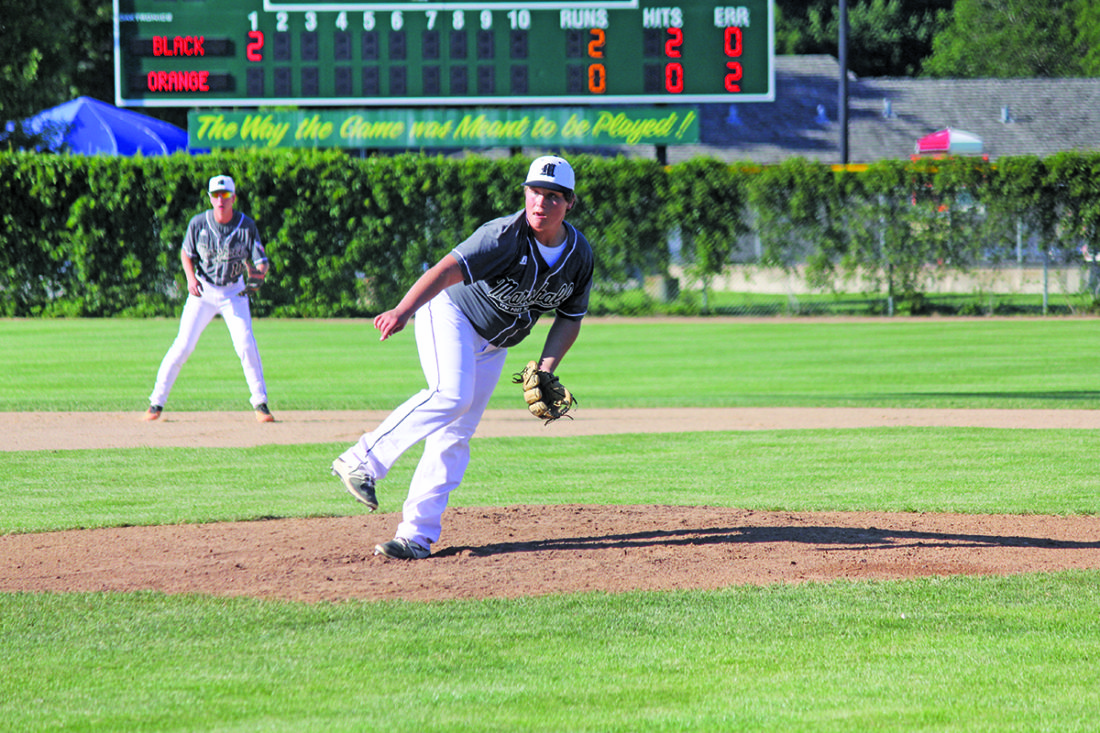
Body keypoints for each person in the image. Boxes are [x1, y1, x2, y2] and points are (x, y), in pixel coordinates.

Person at [331, 155, 593, 559]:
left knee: (455, 435)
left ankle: (415, 537)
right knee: (451, 395)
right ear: (525, 193)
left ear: (570, 202)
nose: (541, 203)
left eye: (553, 196)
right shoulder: (503, 235)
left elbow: (570, 318)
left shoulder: (578, 255)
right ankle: (361, 459)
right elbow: (445, 270)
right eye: (534, 192)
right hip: (450, 314)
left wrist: (544, 370)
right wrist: (402, 310)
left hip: (496, 345)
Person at [144, 174, 275, 423]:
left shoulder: (246, 225)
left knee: (245, 343)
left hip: (233, 292)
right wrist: (191, 279)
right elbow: (186, 253)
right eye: (215, 195)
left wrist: (256, 275)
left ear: (233, 198)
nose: (220, 199)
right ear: (210, 198)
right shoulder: (198, 223)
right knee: (183, 345)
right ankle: (156, 403)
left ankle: (260, 403)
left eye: (225, 195)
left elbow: (260, 262)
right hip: (203, 291)